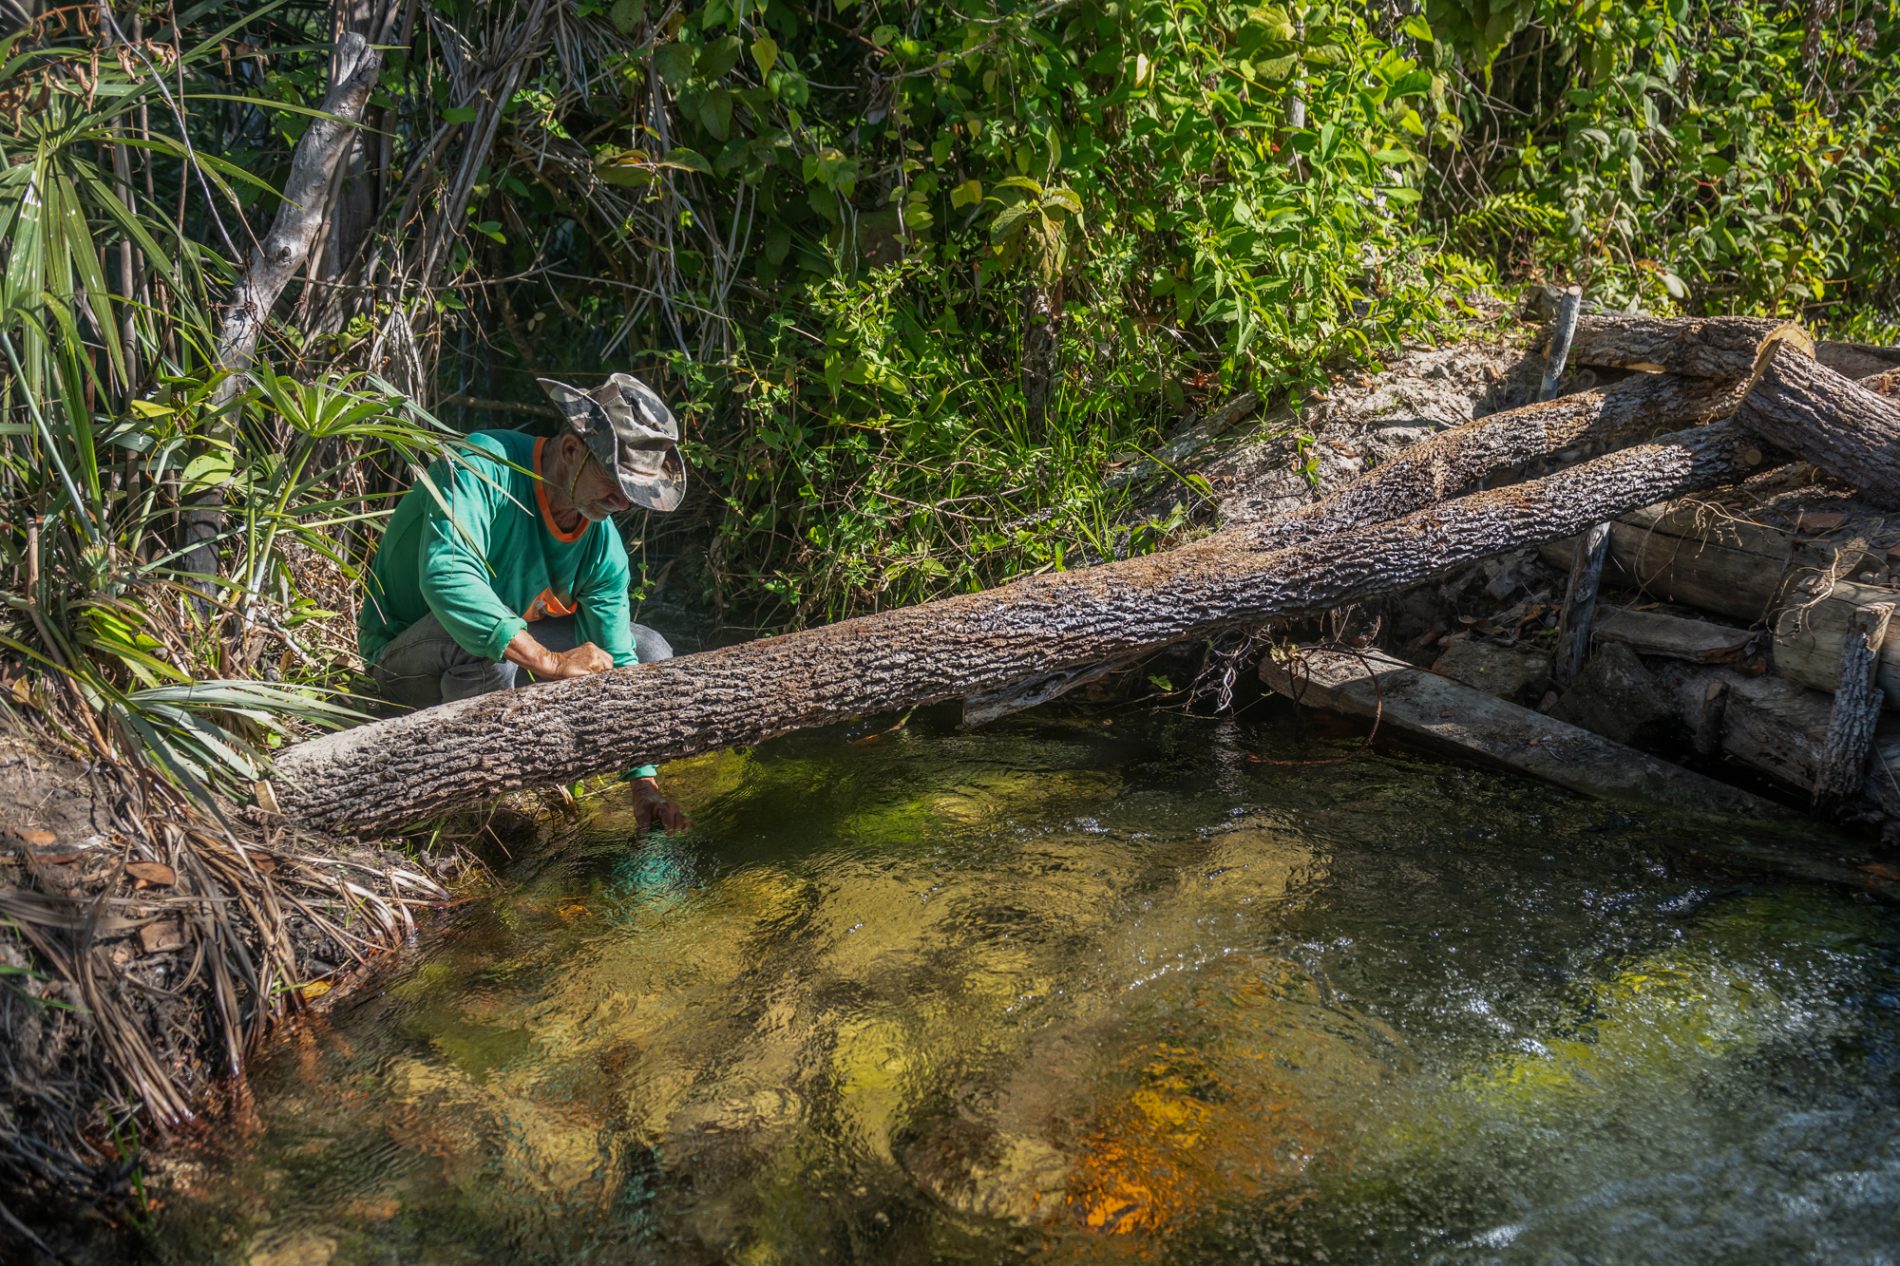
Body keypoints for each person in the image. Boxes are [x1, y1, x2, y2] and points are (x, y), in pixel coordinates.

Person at [358, 373, 690, 834]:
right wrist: (551, 661)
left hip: (500, 671)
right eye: (615, 480)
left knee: (649, 648)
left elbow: (622, 664)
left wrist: (643, 784)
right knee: (482, 642)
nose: (623, 502)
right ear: (572, 450)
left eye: (634, 491)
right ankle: (471, 795)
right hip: (407, 659)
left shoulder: (602, 545)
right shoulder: (482, 465)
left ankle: (526, 756)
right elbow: (448, 578)